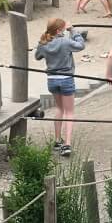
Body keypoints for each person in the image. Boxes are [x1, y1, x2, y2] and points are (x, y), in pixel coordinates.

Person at [34, 19, 84, 156]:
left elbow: (37, 56)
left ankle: (57, 140)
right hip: (66, 79)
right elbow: (81, 46)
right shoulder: (65, 42)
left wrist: (42, 44)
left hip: (52, 80)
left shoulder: (44, 43)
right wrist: (72, 30)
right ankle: (67, 144)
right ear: (58, 31)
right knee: (69, 112)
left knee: (59, 109)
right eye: (62, 29)